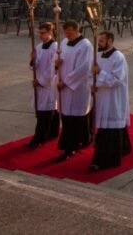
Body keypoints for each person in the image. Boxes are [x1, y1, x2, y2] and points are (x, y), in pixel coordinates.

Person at [89, 31, 131, 173]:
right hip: (101, 98)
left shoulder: (118, 57)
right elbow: (91, 74)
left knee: (111, 131)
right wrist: (93, 85)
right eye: (98, 41)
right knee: (104, 129)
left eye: (101, 41)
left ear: (110, 41)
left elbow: (116, 80)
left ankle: (106, 160)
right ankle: (122, 149)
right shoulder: (98, 55)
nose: (99, 43)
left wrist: (100, 73)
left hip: (114, 99)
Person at [55, 20, 93, 163]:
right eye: (65, 31)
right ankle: (83, 138)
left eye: (70, 31)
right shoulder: (64, 42)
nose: (67, 34)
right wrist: (56, 64)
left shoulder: (85, 46)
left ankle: (71, 147)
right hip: (63, 84)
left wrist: (66, 82)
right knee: (67, 116)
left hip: (77, 87)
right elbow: (59, 59)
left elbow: (83, 68)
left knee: (75, 117)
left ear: (77, 31)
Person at [26, 22, 59, 149]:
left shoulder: (55, 47)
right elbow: (35, 65)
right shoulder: (39, 47)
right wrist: (33, 59)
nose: (41, 35)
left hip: (48, 84)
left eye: (43, 32)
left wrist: (40, 81)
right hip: (40, 81)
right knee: (46, 110)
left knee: (46, 111)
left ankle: (39, 137)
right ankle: (51, 132)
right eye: (39, 32)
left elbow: (52, 68)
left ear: (50, 32)